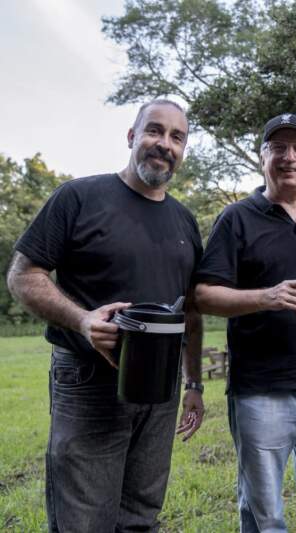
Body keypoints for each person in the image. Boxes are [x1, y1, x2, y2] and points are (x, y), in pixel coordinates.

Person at [6, 99, 205, 531]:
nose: (164, 144)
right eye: (154, 131)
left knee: (140, 516)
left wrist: (192, 382)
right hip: (89, 381)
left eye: (177, 137)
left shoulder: (185, 222)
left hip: (161, 387)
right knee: (84, 520)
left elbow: (190, 310)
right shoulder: (79, 197)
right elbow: (23, 275)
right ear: (132, 137)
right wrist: (83, 321)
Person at [194, 113, 296, 533]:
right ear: (262, 156)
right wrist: (266, 297)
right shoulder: (237, 218)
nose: (289, 158)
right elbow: (204, 294)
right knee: (264, 514)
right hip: (262, 391)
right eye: (278, 148)